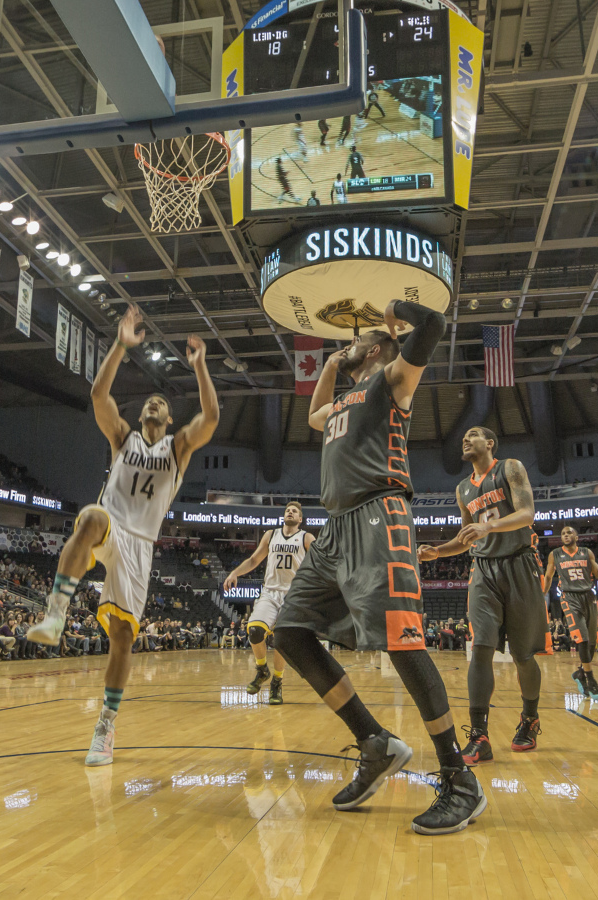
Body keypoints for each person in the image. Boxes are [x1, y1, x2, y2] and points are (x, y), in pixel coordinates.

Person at [269, 298, 488, 835]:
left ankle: (459, 777)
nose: (353, 342)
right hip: (335, 529)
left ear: (379, 347)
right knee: (289, 632)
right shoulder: (344, 400)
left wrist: (393, 310)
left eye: (361, 340)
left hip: (379, 514)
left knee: (401, 640)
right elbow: (315, 415)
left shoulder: (393, 381)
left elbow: (434, 325)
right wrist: (330, 364)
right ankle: (373, 740)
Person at [25, 304, 219, 767]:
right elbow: (98, 394)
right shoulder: (122, 438)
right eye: (150, 401)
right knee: (92, 515)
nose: (154, 404)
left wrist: (201, 367)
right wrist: (119, 345)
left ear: (169, 420)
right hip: (111, 526)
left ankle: (106, 726)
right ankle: (55, 615)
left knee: (122, 638)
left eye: (163, 404)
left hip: (141, 546)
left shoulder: (178, 447)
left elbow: (210, 417)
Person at [419, 426, 542, 763]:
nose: (464, 439)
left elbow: (527, 514)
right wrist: (438, 552)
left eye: (472, 434)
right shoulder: (462, 489)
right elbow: (465, 538)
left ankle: (529, 720)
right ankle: (479, 735)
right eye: (463, 436)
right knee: (481, 649)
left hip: (520, 564)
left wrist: (488, 526)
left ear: (489, 443)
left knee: (523, 655)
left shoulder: (510, 468)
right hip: (483, 569)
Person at [221, 500, 313, 704]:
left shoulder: (306, 538)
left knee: (281, 640)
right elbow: (254, 560)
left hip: (293, 594)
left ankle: (277, 684)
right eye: (287, 510)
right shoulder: (271, 535)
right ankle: (262, 670)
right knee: (254, 630)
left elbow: (319, 564)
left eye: (294, 511)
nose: (290, 512)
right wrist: (235, 572)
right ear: (284, 515)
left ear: (300, 519)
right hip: (270, 592)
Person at [542, 525, 598, 699]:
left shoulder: (586, 553)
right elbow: (549, 576)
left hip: (589, 596)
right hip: (569, 597)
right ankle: (591, 680)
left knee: (592, 642)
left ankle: (580, 673)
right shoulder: (555, 554)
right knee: (582, 637)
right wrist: (542, 592)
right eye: (563, 533)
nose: (565, 535)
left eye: (569, 532)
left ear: (576, 537)